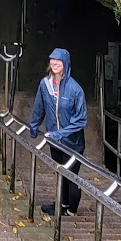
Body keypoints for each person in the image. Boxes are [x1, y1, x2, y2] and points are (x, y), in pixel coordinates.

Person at [28, 47, 87, 216]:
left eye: (58, 60)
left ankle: (72, 210)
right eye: (52, 60)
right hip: (54, 140)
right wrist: (34, 125)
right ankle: (61, 205)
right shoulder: (45, 84)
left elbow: (81, 119)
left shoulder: (75, 89)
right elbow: (39, 107)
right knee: (60, 172)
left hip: (72, 142)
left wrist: (59, 134)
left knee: (71, 175)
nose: (54, 63)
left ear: (65, 63)